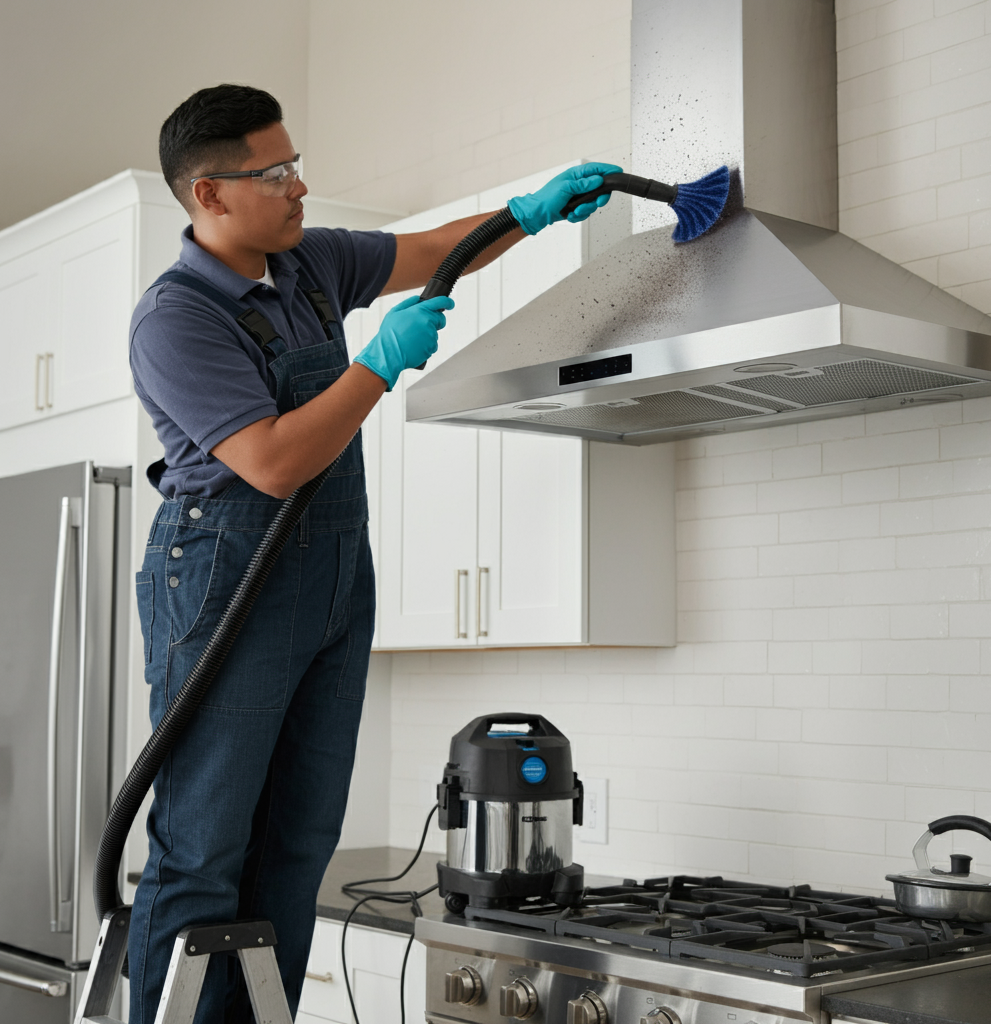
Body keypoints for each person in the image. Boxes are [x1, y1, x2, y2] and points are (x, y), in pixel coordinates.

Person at [128, 82, 618, 1024]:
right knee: (205, 847)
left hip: (333, 576)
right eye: (274, 174)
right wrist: (376, 368)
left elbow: (432, 253)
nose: (299, 186)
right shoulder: (176, 317)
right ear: (210, 196)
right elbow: (271, 462)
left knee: (301, 839)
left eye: (295, 162)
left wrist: (527, 216)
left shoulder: (306, 265)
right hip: (225, 575)